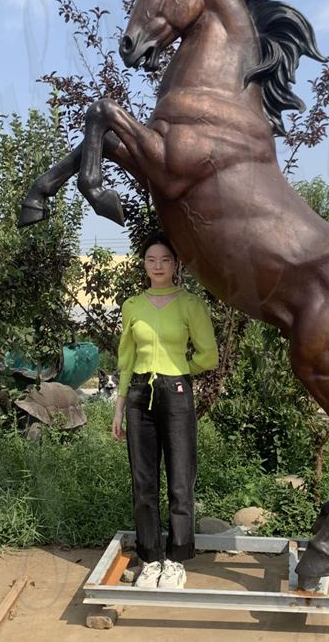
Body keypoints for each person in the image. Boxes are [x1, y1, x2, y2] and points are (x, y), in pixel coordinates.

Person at [112, 232, 218, 589]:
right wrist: (119, 406)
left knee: (179, 480)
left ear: (176, 265)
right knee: (143, 483)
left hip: (175, 393)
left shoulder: (190, 304)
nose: (157, 266)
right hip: (139, 396)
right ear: (143, 265)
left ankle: (176, 559)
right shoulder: (132, 306)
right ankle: (151, 558)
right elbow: (126, 359)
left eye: (165, 260)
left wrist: (182, 372)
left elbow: (209, 354)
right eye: (151, 260)